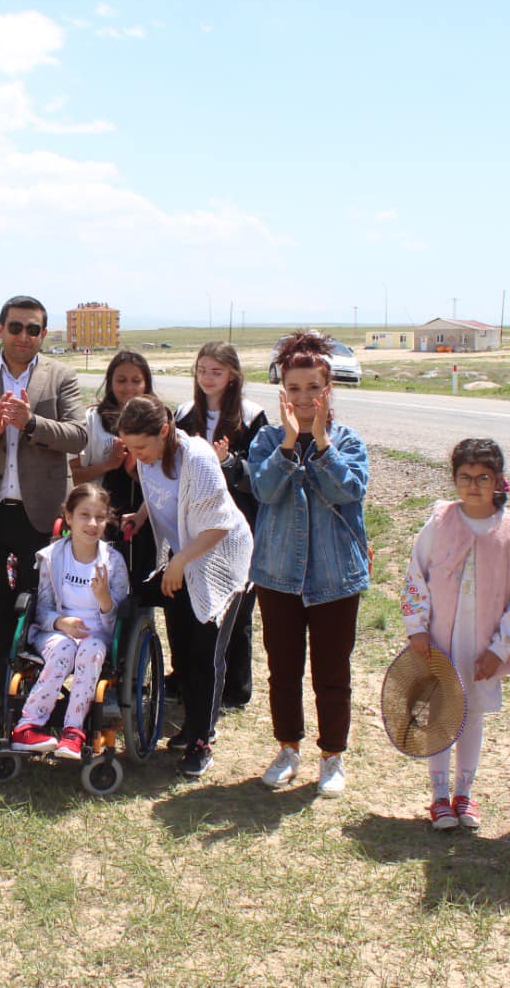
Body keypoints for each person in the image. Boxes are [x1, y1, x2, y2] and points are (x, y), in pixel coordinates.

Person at [0, 295, 87, 730]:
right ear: (0, 329)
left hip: (39, 514)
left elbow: (78, 436)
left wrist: (30, 424)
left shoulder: (61, 376)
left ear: (43, 334)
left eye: (33, 329)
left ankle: (35, 699)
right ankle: (1, 696)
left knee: (39, 610)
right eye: (16, 327)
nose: (24, 336)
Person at [247, 331, 369, 796]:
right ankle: (288, 748)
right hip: (278, 575)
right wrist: (288, 444)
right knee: (284, 669)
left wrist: (320, 444)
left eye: (312, 388)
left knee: (332, 671)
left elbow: (349, 490)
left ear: (328, 389)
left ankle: (332, 756)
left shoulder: (348, 441)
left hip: (335, 576)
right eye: (294, 390)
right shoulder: (266, 440)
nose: (303, 398)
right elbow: (263, 491)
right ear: (283, 393)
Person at [119, 396, 253, 778]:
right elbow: (159, 493)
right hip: (182, 559)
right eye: (130, 448)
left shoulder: (197, 458)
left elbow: (220, 525)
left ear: (164, 431)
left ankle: (201, 739)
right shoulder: (149, 458)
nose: (136, 455)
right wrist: (142, 515)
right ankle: (190, 726)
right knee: (182, 647)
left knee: (204, 653)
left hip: (217, 561)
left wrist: (177, 562)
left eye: (141, 447)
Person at [402, 439, 510, 830]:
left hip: (483, 647)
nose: (473, 486)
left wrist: (501, 648)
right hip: (440, 641)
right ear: (454, 479)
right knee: (441, 713)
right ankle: (439, 797)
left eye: (483, 478)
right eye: (465, 477)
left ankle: (464, 795)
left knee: (471, 715)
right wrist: (417, 629)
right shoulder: (440, 523)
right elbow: (415, 576)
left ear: (499, 481)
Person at [174, 341, 267, 709]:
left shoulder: (252, 415)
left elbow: (259, 474)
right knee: (192, 606)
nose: (208, 378)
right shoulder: (184, 413)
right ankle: (186, 679)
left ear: (232, 376)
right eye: (202, 371)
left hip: (235, 526)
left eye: (217, 371)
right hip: (193, 526)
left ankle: (235, 687)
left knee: (236, 608)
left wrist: (226, 464)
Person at [8, 482, 130, 760]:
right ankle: (27, 725)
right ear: (70, 517)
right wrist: (61, 623)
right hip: (56, 632)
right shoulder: (52, 558)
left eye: (100, 517)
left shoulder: (114, 563)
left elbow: (116, 624)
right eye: (85, 515)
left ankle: (73, 732)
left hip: (96, 636)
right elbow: (42, 611)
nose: (93, 523)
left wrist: (103, 599)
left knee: (89, 650)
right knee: (64, 648)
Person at [69, 350, 157, 586]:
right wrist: (108, 465)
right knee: (100, 586)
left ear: (146, 383)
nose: (129, 387)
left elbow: (168, 480)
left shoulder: (159, 420)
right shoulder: (91, 420)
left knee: (141, 590)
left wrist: (132, 471)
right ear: (109, 382)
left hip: (146, 521)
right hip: (98, 522)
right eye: (121, 380)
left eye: (136, 381)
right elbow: (74, 475)